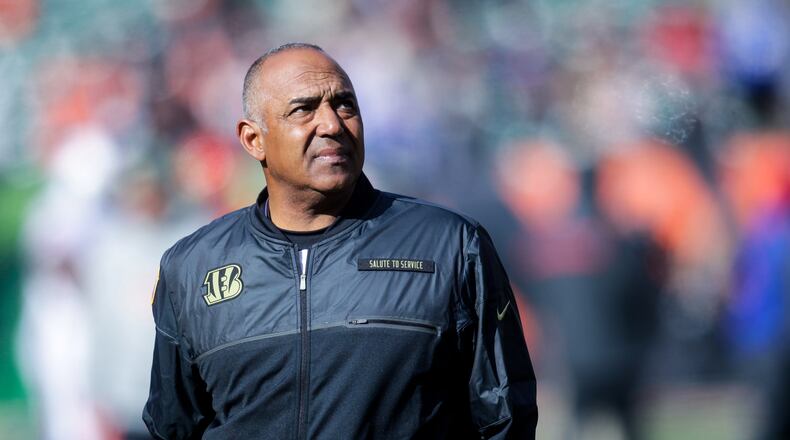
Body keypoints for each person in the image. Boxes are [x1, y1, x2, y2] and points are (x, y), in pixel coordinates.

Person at [142, 42, 537, 439]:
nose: (332, 124)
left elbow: (505, 417)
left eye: (345, 105)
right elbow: (172, 428)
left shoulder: (450, 245)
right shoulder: (192, 267)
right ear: (253, 139)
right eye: (304, 109)